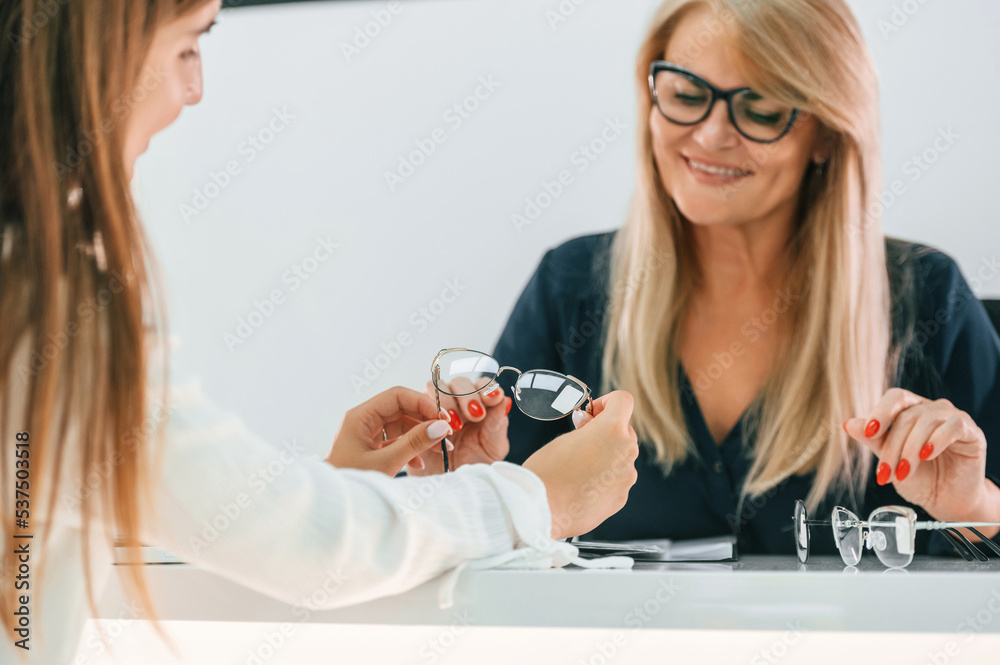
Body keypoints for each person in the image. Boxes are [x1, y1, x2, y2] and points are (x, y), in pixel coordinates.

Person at [0, 1, 640, 662]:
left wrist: (342, 492)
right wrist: (538, 501)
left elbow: (218, 528)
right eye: (188, 47)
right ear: (93, 49)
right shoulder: (43, 306)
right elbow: (311, 549)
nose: (194, 91)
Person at [419, 0, 1000, 555]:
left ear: (826, 132)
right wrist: (461, 487)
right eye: (686, 94)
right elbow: (478, 538)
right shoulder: (570, 286)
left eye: (761, 108)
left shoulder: (929, 297)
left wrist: (974, 508)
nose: (710, 135)